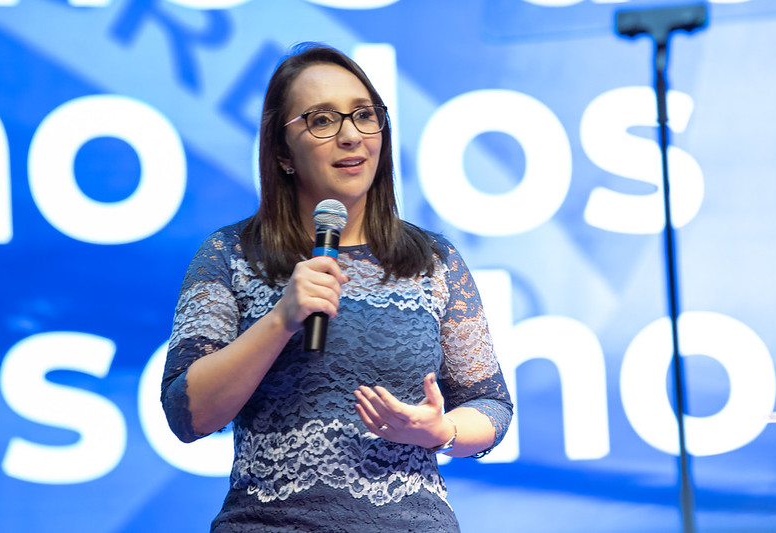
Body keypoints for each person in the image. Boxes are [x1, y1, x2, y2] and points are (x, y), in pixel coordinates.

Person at [161, 42, 513, 532]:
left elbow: (491, 404)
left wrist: (442, 430)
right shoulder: (230, 254)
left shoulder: (433, 260)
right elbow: (187, 414)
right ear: (283, 152)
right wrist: (281, 319)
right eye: (322, 121)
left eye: (364, 115)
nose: (351, 136)